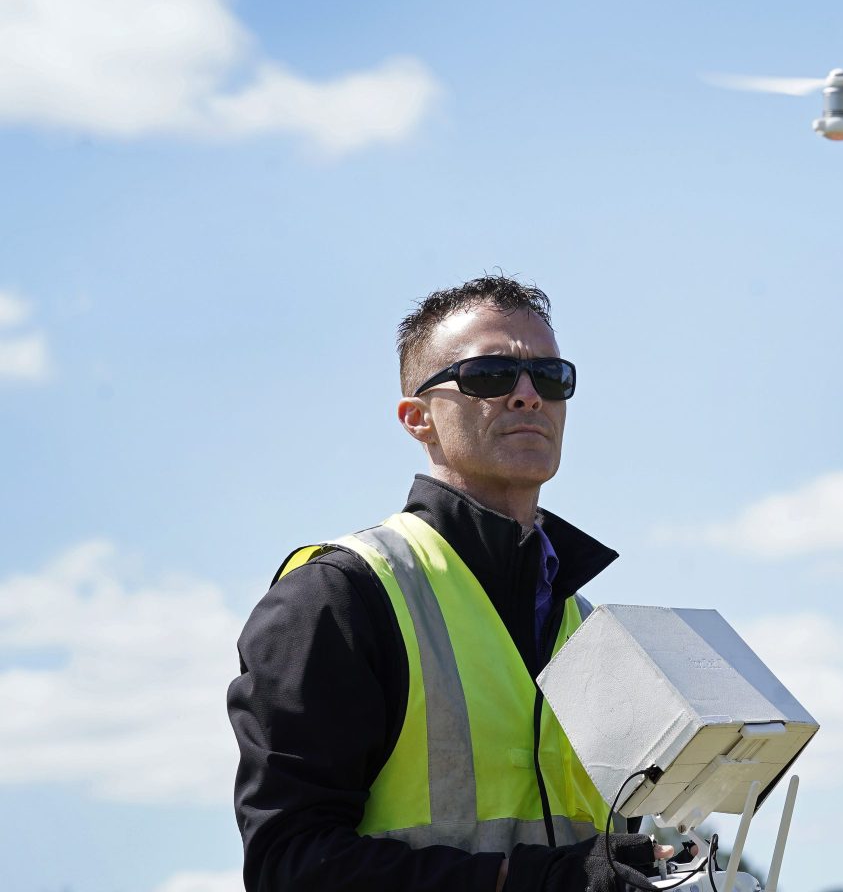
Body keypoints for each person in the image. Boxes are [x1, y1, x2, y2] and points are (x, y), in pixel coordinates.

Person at [228, 275, 670, 892]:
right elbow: (290, 866)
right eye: (488, 375)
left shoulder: (584, 623)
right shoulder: (340, 596)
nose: (526, 396)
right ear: (418, 419)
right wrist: (537, 883)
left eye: (550, 376)